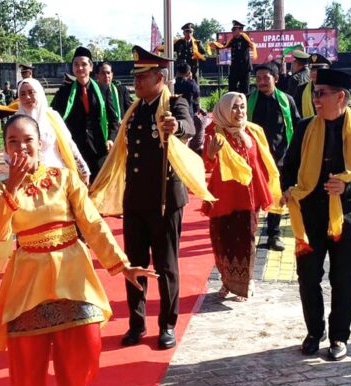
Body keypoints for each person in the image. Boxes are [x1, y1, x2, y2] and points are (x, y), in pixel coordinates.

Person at [0, 114, 153, 386]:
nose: (21, 146)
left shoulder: (64, 177)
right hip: (28, 280)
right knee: (29, 365)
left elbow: (92, 223)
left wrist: (121, 263)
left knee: (87, 349)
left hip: (72, 273)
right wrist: (12, 188)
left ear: (40, 141)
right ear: (5, 149)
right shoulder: (2, 189)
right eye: (12, 141)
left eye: (27, 139)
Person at [90, 46, 214, 350]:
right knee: (134, 265)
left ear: (160, 77)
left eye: (143, 77)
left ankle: (167, 325)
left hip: (164, 200)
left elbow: (188, 125)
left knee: (166, 266)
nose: (137, 83)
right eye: (136, 77)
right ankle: (136, 323)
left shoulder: (174, 103)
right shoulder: (134, 110)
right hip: (135, 201)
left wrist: (177, 127)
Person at [281, 69, 351, 361]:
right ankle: (315, 331)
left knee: (343, 279)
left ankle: (339, 336)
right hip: (310, 216)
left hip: (347, 217)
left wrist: (348, 185)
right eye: (314, 93)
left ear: (341, 97)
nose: (316, 99)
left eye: (321, 93)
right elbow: (288, 167)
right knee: (308, 277)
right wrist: (288, 187)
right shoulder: (304, 128)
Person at [203, 92, 280, 300]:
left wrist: (268, 186)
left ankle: (247, 283)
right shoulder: (214, 131)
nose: (239, 112)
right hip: (222, 195)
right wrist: (210, 153)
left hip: (248, 195)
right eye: (234, 107)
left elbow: (262, 161)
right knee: (221, 239)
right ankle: (226, 282)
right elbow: (207, 165)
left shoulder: (253, 131)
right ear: (225, 109)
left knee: (246, 239)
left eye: (242, 107)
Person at [247, 62, 300, 250]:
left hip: (279, 158)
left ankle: (273, 235)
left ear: (276, 79)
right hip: (254, 159)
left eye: (265, 78)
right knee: (251, 198)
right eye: (258, 78)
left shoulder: (287, 101)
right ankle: (249, 235)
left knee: (277, 197)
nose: (261, 82)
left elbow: (297, 126)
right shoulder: (248, 101)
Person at [50, 47, 119, 182]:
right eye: (76, 64)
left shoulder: (103, 89)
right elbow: (53, 117)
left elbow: (113, 119)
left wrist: (111, 138)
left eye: (84, 64)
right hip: (74, 149)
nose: (80, 68)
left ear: (91, 67)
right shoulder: (64, 92)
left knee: (99, 188)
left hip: (99, 148)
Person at [16, 77, 91, 182]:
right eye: (22, 94)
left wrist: (84, 170)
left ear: (39, 93)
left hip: (56, 176)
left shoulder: (52, 116)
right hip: (27, 179)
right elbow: (8, 155)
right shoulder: (16, 122)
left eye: (31, 92)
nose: (27, 97)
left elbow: (69, 143)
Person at [211, 20, 257, 94]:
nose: (232, 31)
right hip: (235, 68)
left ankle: (244, 104)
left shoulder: (245, 39)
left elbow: (253, 45)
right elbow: (224, 46)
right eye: (232, 29)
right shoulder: (232, 40)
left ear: (240, 30)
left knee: (244, 90)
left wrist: (252, 45)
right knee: (232, 89)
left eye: (234, 29)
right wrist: (215, 45)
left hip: (244, 69)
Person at [174, 63, 203, 152]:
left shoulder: (172, 83)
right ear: (189, 73)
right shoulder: (190, 84)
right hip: (187, 116)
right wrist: (191, 80)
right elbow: (197, 93)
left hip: (174, 116)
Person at [285, 49, 312, 114]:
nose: (292, 66)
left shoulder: (295, 78)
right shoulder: (312, 74)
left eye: (293, 63)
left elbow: (290, 99)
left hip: (300, 112)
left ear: (297, 64)